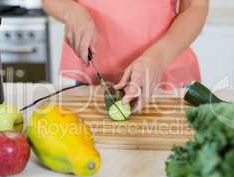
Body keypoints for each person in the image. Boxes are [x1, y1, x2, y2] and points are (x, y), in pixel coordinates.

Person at [42, 0, 209, 112]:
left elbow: (196, 7)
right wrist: (70, 10)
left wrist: (158, 57)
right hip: (92, 77)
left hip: (167, 76)